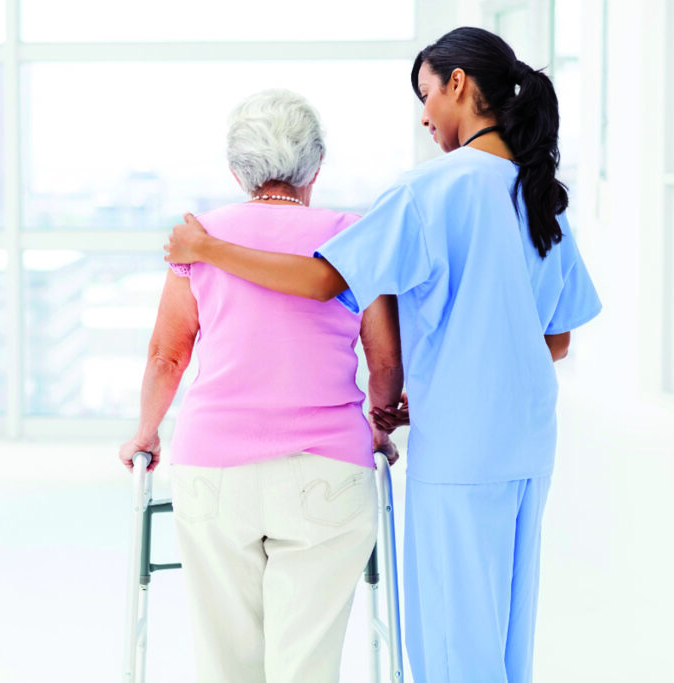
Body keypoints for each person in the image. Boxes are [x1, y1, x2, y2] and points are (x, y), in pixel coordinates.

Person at [164, 27, 601, 683]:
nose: (425, 116)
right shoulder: (541, 193)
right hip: (528, 443)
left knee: (452, 644)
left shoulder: (430, 190)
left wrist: (208, 249)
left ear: (458, 85)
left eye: (427, 95)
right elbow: (556, 338)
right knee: (506, 637)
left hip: (460, 450)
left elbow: (324, 280)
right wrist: (467, 367)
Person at [118, 89, 404, 683]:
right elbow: (383, 361)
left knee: (226, 658)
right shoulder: (353, 235)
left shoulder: (199, 238)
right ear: (316, 165)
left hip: (214, 468)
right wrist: (378, 428)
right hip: (330, 467)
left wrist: (145, 432)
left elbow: (168, 355)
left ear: (237, 170)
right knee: (306, 662)